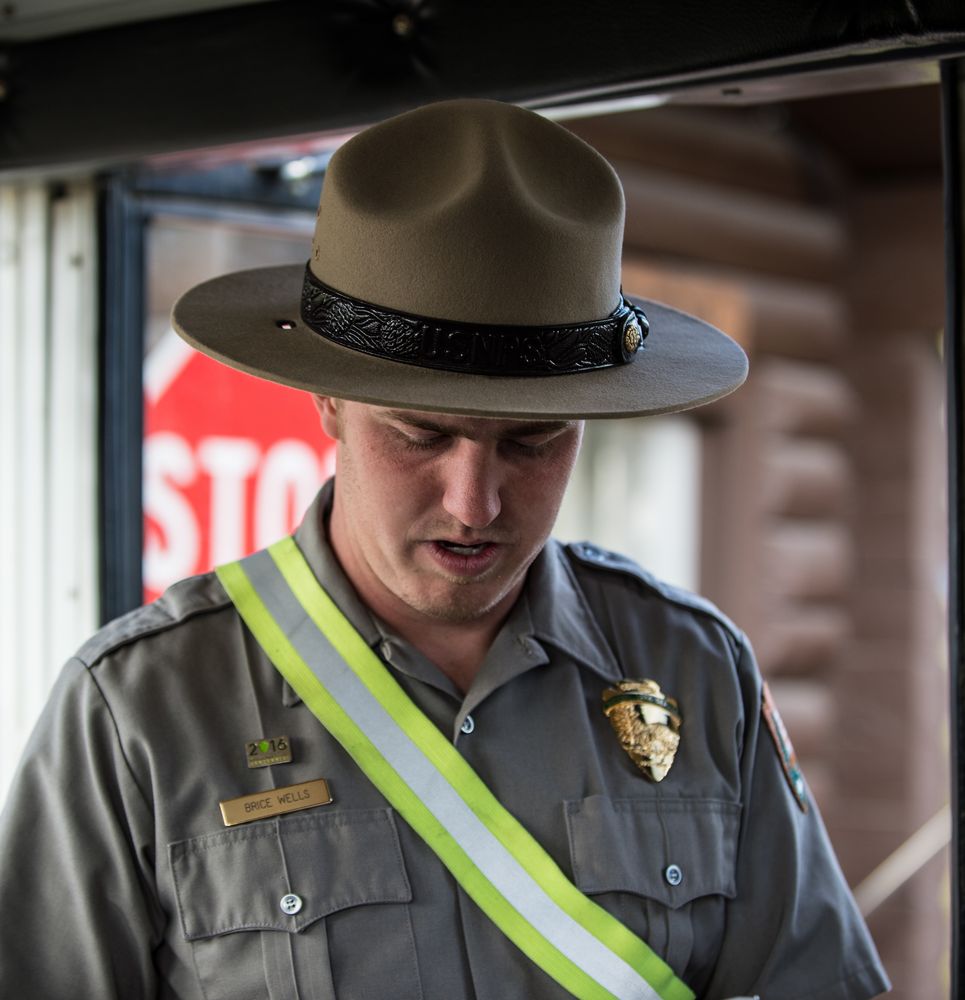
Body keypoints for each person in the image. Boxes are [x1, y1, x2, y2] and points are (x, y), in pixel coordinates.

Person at [0, 99, 889, 1000]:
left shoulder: (693, 672)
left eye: (533, 443)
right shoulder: (139, 712)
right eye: (421, 435)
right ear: (328, 404)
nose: (476, 503)